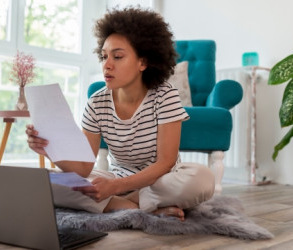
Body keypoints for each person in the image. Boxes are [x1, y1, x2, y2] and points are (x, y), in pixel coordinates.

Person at [26, 7, 215, 221]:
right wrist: (50, 150)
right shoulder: (96, 103)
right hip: (114, 178)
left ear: (143, 62)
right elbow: (84, 168)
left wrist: (114, 187)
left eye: (117, 56)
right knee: (49, 182)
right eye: (104, 56)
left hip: (160, 181)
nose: (106, 65)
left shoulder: (165, 95)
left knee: (202, 178)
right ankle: (141, 208)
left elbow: (166, 163)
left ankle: (125, 202)